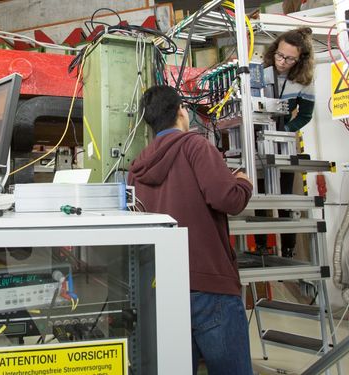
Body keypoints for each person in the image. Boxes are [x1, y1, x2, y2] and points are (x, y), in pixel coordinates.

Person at [127, 85, 253, 375]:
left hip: (163, 289)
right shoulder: (195, 146)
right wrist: (243, 182)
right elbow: (227, 199)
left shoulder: (137, 167)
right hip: (210, 287)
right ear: (181, 110)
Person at [256, 27, 315, 257]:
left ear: (300, 59)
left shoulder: (303, 81)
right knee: (259, 195)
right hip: (259, 137)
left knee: (285, 195)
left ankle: (288, 249)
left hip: (284, 140)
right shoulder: (261, 72)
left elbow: (305, 115)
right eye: (280, 55)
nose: (282, 62)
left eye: (289, 58)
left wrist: (287, 130)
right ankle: (261, 247)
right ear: (274, 51)